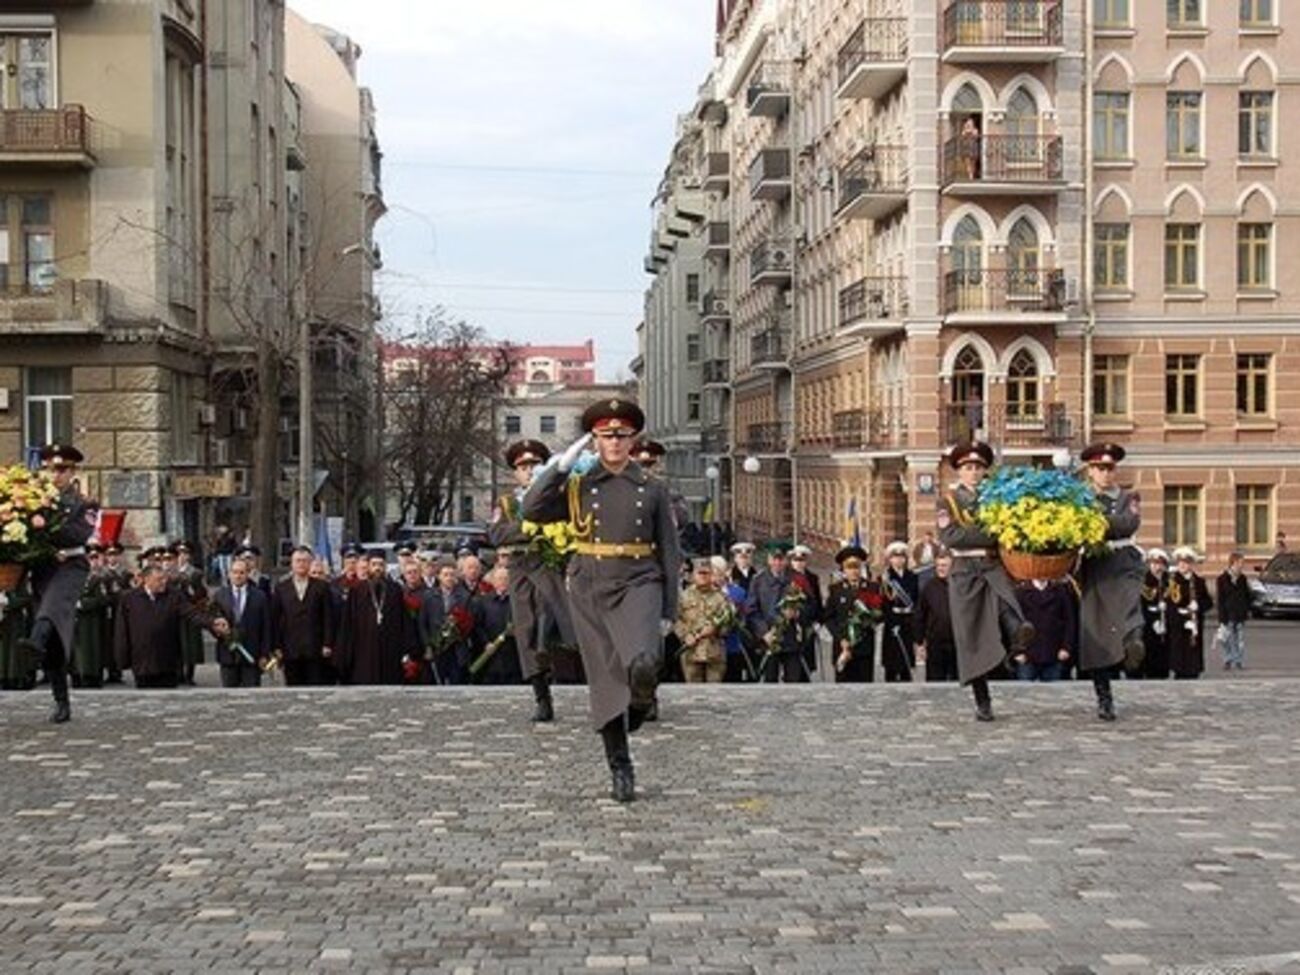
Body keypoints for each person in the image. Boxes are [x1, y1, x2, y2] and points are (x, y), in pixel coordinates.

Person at [522, 397, 682, 803]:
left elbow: (670, 550)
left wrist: (669, 608)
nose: (614, 442)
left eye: (622, 436)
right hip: (590, 583)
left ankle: (641, 703)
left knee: (644, 660)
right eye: (606, 436)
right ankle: (620, 766)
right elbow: (533, 509)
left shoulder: (652, 487)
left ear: (632, 440)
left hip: (639, 579)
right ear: (595, 440)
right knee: (607, 683)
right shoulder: (579, 485)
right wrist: (559, 467)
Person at [936, 441, 1035, 721]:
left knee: (1006, 601)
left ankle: (1017, 636)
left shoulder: (996, 498)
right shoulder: (948, 502)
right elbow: (951, 537)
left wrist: (988, 533)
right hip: (964, 570)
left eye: (978, 468)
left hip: (992, 564)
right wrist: (990, 533)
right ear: (959, 471)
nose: (974, 473)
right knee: (972, 635)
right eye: (968, 468)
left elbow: (1009, 529)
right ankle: (983, 699)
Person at [487, 438, 576, 721]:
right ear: (515, 473)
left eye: (534, 465)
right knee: (525, 629)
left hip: (549, 565)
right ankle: (541, 696)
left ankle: (555, 656)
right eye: (523, 467)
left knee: (552, 619)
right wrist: (527, 527)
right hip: (520, 568)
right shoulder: (507, 503)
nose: (528, 471)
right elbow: (496, 535)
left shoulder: (556, 496)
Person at [16, 444, 99, 723]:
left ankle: (34, 642)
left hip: (70, 567)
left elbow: (78, 534)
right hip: (44, 568)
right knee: (54, 638)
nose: (56, 475)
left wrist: (46, 527)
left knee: (50, 608)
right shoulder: (35, 499)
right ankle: (61, 700)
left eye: (62, 470)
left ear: (73, 471)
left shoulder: (84, 503)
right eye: (51, 469)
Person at [1077, 442, 1144, 721]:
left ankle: (1133, 644)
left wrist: (1095, 523)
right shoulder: (1080, 499)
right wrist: (1106, 524)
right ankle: (1104, 697)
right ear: (1090, 471)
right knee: (1096, 633)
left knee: (1130, 606)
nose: (1106, 474)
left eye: (1110, 468)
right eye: (1100, 468)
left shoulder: (1128, 497)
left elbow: (1129, 524)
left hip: (1123, 561)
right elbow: (1073, 528)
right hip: (1095, 566)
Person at [115, 564, 229, 687]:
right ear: (146, 580)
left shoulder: (174, 595)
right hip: (142, 661)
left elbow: (192, 613)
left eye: (164, 578)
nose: (164, 582)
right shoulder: (130, 599)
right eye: (159, 579)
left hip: (168, 660)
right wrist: (122, 659)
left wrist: (212, 622)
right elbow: (122, 631)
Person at [335, 550, 408, 685]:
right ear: (368, 566)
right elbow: (348, 623)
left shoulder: (395, 589)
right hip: (363, 647)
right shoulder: (357, 590)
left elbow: (403, 621)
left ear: (385, 566)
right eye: (374, 564)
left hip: (389, 647)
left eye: (380, 565)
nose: (377, 568)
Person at [270, 546, 336, 686]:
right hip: (290, 649)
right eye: (298, 561)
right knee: (293, 686)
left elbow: (328, 617)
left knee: (315, 686)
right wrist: (276, 646)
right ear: (292, 564)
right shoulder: (281, 588)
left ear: (310, 563)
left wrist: (327, 643)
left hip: (315, 647)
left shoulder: (322, 587)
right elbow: (275, 619)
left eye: (305, 561)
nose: (301, 564)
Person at [210, 556, 273, 688]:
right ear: (229, 574)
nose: (238, 576)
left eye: (241, 573)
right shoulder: (219, 595)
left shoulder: (259, 596)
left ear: (248, 574)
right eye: (234, 572)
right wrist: (220, 632)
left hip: (251, 655)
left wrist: (264, 654)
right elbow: (212, 621)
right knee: (229, 694)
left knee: (251, 694)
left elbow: (266, 627)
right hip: (228, 655)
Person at [824, 545, 880, 683]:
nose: (854, 571)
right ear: (843, 569)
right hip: (843, 647)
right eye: (849, 567)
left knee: (864, 688)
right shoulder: (835, 589)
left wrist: (869, 620)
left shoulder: (872, 588)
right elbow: (829, 618)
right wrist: (841, 638)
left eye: (857, 567)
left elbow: (879, 613)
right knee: (842, 688)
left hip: (864, 647)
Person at [418, 555, 474, 685]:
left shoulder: (464, 596)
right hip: (437, 646)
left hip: (456, 647)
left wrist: (457, 631)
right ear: (439, 576)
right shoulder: (429, 596)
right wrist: (427, 645)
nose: (449, 578)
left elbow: (469, 622)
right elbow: (423, 623)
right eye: (445, 575)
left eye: (451, 575)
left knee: (456, 681)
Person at [674, 557, 730, 684]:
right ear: (693, 575)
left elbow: (728, 622)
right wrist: (685, 635)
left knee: (714, 692)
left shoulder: (721, 597)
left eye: (707, 573)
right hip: (691, 652)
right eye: (700, 573)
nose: (703, 576)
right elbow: (676, 620)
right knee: (693, 692)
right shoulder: (683, 597)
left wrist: (716, 629)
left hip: (714, 653)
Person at [1012, 579, 1076, 681]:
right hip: (1027, 654)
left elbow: (1070, 621)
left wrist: (1066, 647)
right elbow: (1013, 624)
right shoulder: (1021, 592)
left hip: (1054, 652)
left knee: (1054, 688)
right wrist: (1016, 652)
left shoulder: (1060, 592)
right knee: (1024, 688)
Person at [469, 565, 520, 685]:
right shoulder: (483, 601)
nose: (503, 582)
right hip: (490, 654)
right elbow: (478, 626)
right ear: (493, 581)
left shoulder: (517, 601)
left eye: (506, 578)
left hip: (512, 654)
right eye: (499, 579)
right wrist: (486, 643)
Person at [1167, 547, 1212, 680]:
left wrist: (1198, 606)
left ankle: (1193, 671)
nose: (1182, 565)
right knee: (1179, 651)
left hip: (1194, 623)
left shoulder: (1199, 582)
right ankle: (1179, 672)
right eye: (1180, 563)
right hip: (1178, 624)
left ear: (1191, 564)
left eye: (1185, 563)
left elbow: (1208, 602)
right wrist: (1179, 614)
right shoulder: (1172, 582)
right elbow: (1169, 603)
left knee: (1193, 652)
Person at [915, 551, 959, 682]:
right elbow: (920, 615)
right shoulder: (929, 587)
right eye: (938, 565)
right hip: (935, 643)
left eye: (944, 565)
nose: (940, 568)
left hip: (957, 643)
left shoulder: (960, 586)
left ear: (952, 566)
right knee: (935, 681)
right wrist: (919, 642)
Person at [881, 541, 919, 682]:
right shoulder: (886, 578)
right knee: (892, 659)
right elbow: (884, 604)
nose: (898, 560)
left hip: (907, 620)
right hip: (893, 621)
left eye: (902, 557)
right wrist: (891, 622)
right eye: (895, 557)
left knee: (906, 658)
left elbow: (916, 599)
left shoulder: (912, 577)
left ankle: (906, 680)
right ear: (890, 559)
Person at [171, 541, 207, 686]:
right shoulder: (171, 573)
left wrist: (193, 591)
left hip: (191, 610)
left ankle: (190, 674)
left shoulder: (196, 573)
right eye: (179, 554)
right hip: (175, 613)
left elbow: (202, 593)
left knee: (191, 643)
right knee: (176, 642)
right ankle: (178, 673)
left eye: (185, 553)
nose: (182, 556)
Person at [787, 545, 822, 680]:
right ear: (791, 561)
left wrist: (818, 621)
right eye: (795, 560)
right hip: (791, 625)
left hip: (808, 624)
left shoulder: (812, 578)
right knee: (792, 664)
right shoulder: (786, 577)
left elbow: (817, 601)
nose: (799, 563)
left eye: (801, 560)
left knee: (807, 660)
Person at [1215, 551, 1251, 671]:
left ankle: (1239, 661)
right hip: (1228, 614)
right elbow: (1220, 599)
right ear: (1233, 563)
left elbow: (1247, 596)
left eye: (1242, 562)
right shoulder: (1222, 579)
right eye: (1241, 562)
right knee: (1226, 639)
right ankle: (1228, 660)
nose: (1242, 565)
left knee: (1239, 640)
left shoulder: (1243, 578)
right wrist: (1221, 617)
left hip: (1240, 614)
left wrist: (1247, 610)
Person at [1140, 549, 1172, 679]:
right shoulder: (1144, 581)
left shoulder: (1169, 581)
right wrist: (1152, 616)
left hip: (1166, 620)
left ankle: (1163, 671)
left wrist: (1167, 607)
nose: (1156, 567)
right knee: (1149, 648)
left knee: (1163, 648)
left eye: (1159, 564)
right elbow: (1141, 604)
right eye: (1153, 564)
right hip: (1148, 621)